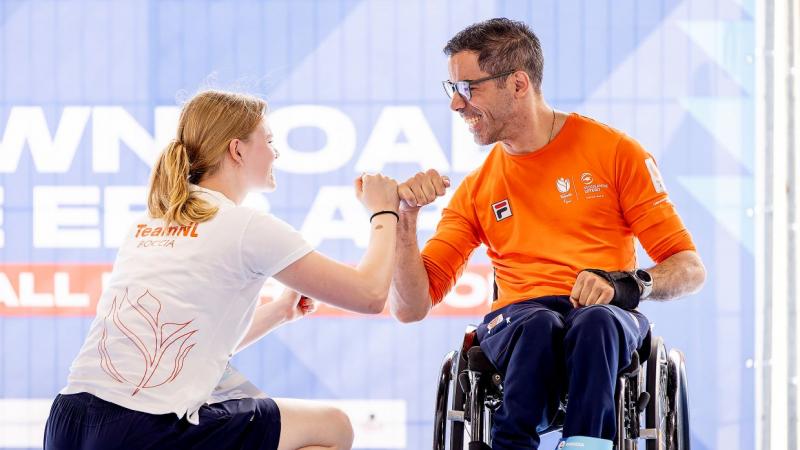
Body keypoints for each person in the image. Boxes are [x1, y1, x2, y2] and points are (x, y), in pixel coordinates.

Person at [388, 18, 707, 450]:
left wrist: (628, 284)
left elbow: (688, 268)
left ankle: (585, 444)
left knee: (595, 319)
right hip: (520, 322)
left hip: (605, 316)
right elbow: (411, 306)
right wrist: (405, 220)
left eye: (468, 88)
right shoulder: (477, 190)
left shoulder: (615, 153)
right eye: (453, 90)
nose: (456, 105)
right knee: (538, 322)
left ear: (518, 83)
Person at [43, 90, 400, 450]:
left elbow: (185, 348)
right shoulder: (245, 226)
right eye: (270, 141)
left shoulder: (148, 222)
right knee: (334, 428)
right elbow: (369, 295)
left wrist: (278, 312)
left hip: (67, 423)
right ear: (237, 150)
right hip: (143, 428)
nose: (276, 153)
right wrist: (384, 211)